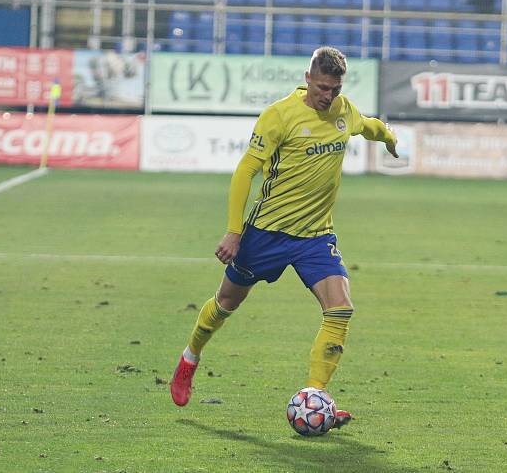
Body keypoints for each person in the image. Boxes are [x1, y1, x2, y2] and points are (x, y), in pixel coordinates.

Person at [170, 46, 398, 429]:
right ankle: (190, 358)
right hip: (267, 233)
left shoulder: (344, 111)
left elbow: (369, 125)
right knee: (226, 302)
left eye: (335, 88)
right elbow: (246, 171)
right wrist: (234, 230)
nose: (328, 96)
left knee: (340, 308)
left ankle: (316, 396)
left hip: (315, 236)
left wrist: (389, 138)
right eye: (323, 87)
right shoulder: (279, 116)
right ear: (308, 79)